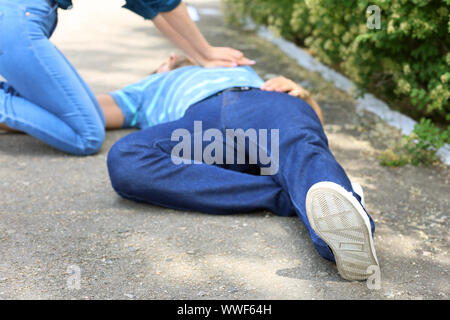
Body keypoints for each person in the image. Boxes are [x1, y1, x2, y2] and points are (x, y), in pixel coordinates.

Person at [104, 54, 379, 281]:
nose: (171, 57)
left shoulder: (227, 60)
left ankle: (340, 237)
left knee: (300, 144)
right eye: (164, 62)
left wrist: (304, 95)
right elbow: (85, 112)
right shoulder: (147, 87)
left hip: (260, 103)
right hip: (199, 129)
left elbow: (315, 127)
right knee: (126, 157)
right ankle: (302, 197)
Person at [0, 0, 253, 155]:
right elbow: (163, 3)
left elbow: (153, 8)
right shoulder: (147, 93)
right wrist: (205, 53)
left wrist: (200, 55)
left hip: (21, 19)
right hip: (17, 19)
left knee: (92, 120)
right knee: (87, 137)